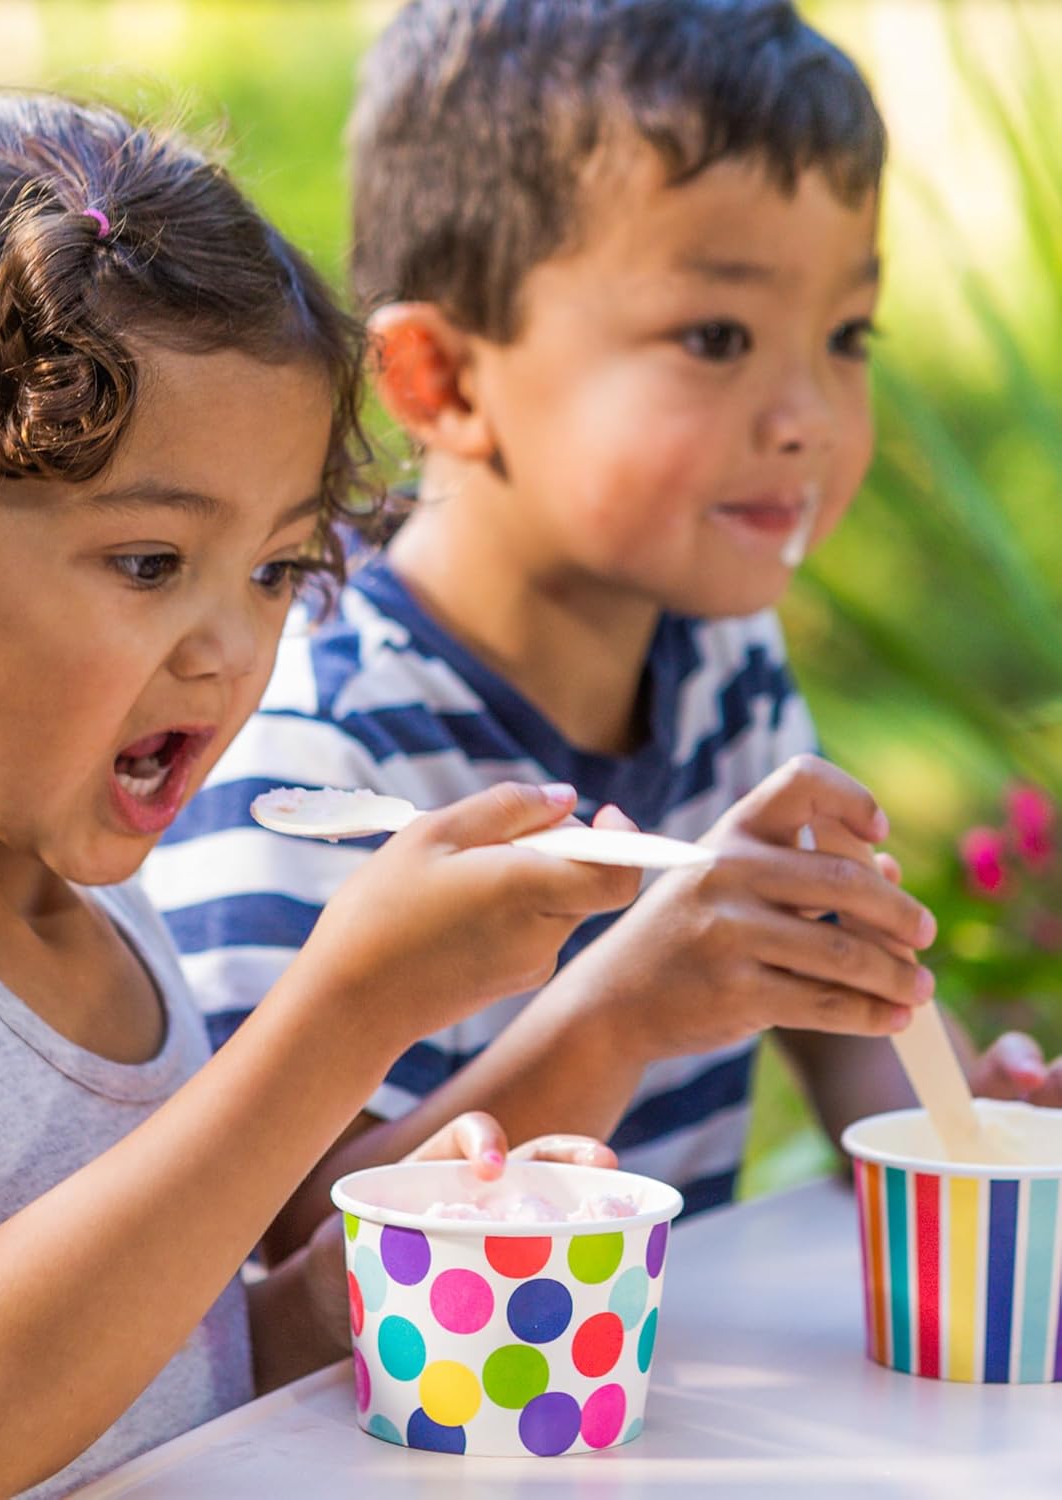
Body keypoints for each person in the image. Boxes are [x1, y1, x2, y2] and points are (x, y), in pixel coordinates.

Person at [0, 88, 643, 1497]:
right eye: (151, 563)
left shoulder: (107, 927)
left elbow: (153, 1383)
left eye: (274, 570)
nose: (231, 650)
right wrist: (351, 1008)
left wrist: (366, 1278)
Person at [142, 0, 1062, 1261]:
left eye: (847, 335)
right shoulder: (307, 747)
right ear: (444, 382)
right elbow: (292, 1257)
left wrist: (963, 1133)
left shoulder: (721, 665)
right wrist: (619, 1015)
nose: (807, 414)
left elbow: (849, 1019)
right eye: (717, 338)